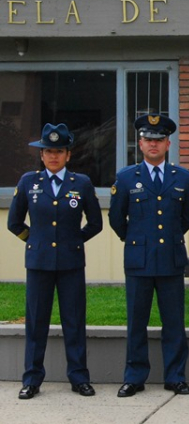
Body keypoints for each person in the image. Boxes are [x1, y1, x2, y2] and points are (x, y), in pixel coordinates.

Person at [8, 123, 103, 400]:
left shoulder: (81, 184)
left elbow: (95, 223)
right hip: (38, 263)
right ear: (41, 155)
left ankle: (79, 378)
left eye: (58, 151)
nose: (53, 156)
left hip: (71, 263)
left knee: (74, 322)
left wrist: (74, 241)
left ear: (68, 155)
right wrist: (34, 240)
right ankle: (32, 379)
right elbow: (14, 222)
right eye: (48, 151)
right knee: (36, 323)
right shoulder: (29, 182)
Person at [109, 114, 189, 397]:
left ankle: (175, 376)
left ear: (168, 143)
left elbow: (188, 217)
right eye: (148, 140)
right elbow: (116, 219)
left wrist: (168, 238)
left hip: (171, 259)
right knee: (137, 322)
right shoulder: (125, 178)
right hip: (139, 260)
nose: (153, 145)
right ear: (140, 143)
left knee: (174, 322)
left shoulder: (182, 177)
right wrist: (135, 240)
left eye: (159, 140)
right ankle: (134, 377)